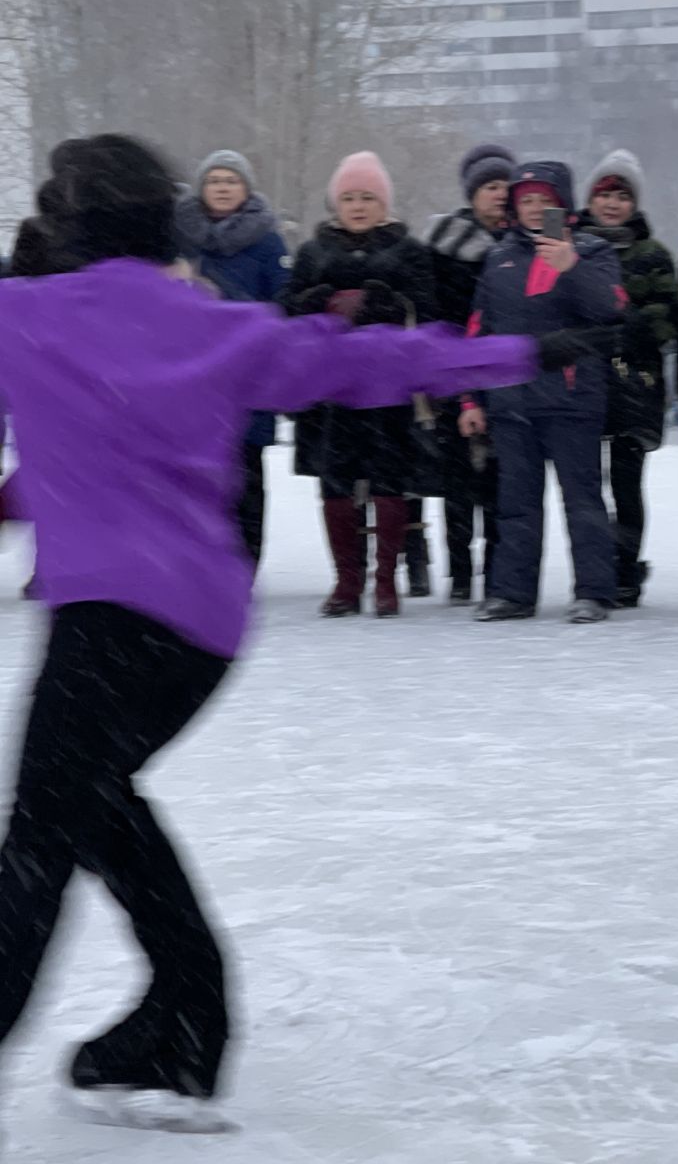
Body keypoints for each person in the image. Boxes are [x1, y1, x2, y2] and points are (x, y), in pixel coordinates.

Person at [0, 134, 540, 1131]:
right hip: (201, 630)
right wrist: (511, 349)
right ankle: (182, 1021)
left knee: (39, 843)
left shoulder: (23, 318)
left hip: (105, 628)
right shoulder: (210, 323)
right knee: (94, 809)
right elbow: (352, 359)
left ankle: (187, 1014)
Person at [465, 161, 625, 623]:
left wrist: (569, 266)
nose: (535, 209)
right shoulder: (500, 257)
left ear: (564, 205)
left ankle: (594, 592)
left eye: (545, 201)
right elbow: (480, 330)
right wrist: (472, 398)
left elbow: (611, 310)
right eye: (527, 200)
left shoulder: (592, 251)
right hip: (511, 401)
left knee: (583, 501)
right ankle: (512, 593)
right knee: (515, 503)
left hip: (572, 400)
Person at [281, 152, 435, 618]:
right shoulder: (314, 251)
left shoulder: (408, 251)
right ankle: (347, 582)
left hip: (388, 385)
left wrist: (388, 307)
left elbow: (428, 311)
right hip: (332, 387)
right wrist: (312, 303)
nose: (358, 205)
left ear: (384, 201)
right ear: (335, 202)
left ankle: (386, 581)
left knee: (390, 479)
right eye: (348, 197)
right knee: (335, 482)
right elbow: (285, 311)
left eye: (368, 197)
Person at [172, 149, 290, 570]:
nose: (222, 188)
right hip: (190, 376)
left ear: (246, 188)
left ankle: (246, 561)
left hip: (245, 375)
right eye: (215, 180)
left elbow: (283, 302)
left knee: (246, 475)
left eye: (231, 180)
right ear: (202, 188)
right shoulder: (178, 238)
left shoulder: (267, 239)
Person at [578, 149, 678, 608]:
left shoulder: (651, 253)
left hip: (635, 383)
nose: (613, 204)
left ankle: (625, 567)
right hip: (584, 380)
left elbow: (670, 313)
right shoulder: (571, 246)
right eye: (605, 195)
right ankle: (595, 567)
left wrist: (636, 326)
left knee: (626, 482)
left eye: (621, 196)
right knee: (584, 486)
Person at [421, 143, 516, 601]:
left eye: (505, 186)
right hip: (455, 372)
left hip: (508, 375)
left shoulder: (526, 241)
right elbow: (430, 311)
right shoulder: (445, 241)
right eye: (490, 187)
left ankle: (499, 569)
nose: (499, 195)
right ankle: (460, 572)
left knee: (502, 482)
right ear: (472, 193)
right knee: (457, 482)